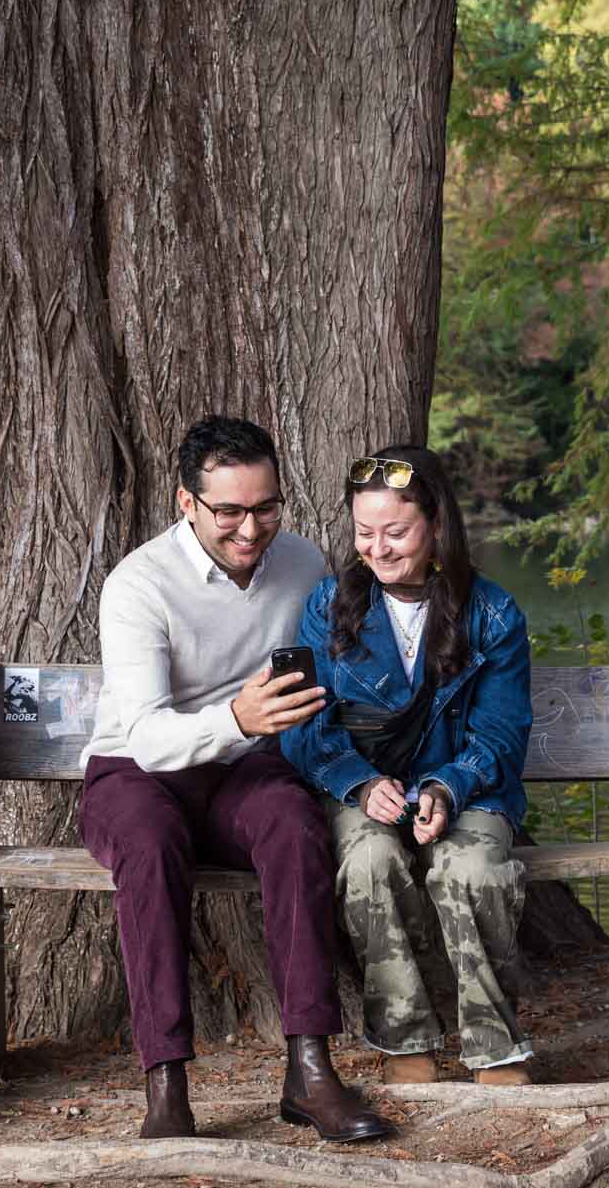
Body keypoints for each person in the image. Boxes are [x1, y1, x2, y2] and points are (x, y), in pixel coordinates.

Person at [79, 416, 394, 1143]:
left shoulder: (302, 562)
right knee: (151, 843)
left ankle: (310, 1071)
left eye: (266, 506)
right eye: (229, 511)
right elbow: (149, 734)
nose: (251, 529)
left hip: (242, 772)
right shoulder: (138, 585)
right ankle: (166, 1086)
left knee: (294, 822)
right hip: (135, 771)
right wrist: (239, 717)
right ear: (186, 503)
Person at [281, 444, 536, 1086]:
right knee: (369, 862)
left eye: (396, 532)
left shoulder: (492, 612)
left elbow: (501, 733)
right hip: (363, 793)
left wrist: (448, 787)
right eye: (365, 532)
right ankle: (406, 1041)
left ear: (436, 526)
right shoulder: (328, 607)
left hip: (468, 787)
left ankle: (494, 1047)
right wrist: (359, 784)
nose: (378, 548)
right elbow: (307, 729)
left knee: (473, 868)